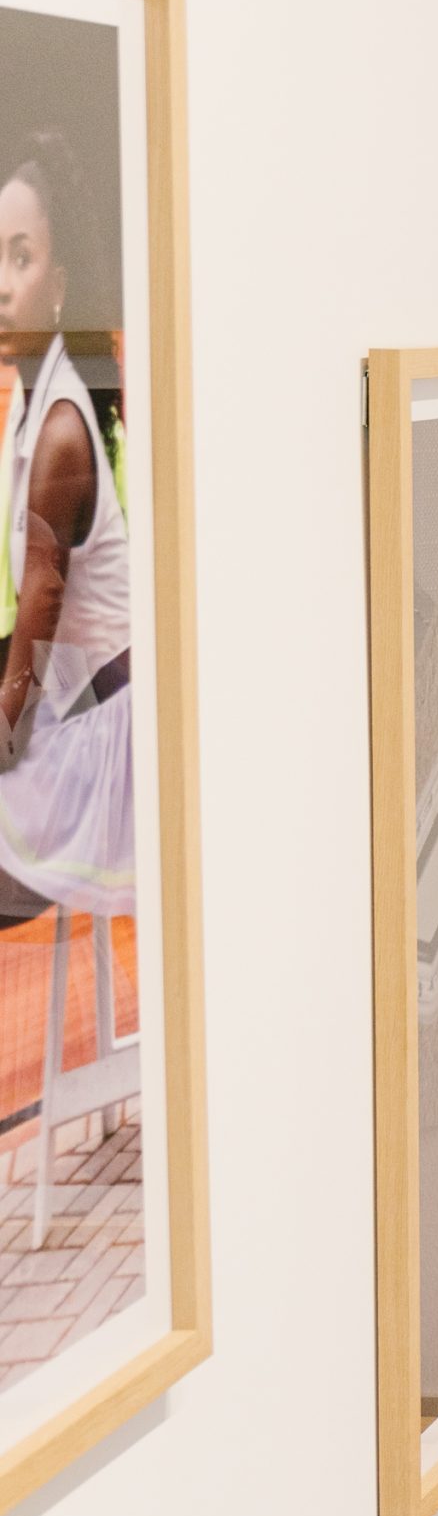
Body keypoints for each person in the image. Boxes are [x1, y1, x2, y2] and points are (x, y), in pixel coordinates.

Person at [0, 127, 132, 925]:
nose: (0, 285)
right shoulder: (32, 397)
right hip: (71, 698)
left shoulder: (58, 430)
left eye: (20, 259)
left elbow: (41, 604)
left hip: (105, 740)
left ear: (59, 287)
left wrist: (4, 735)